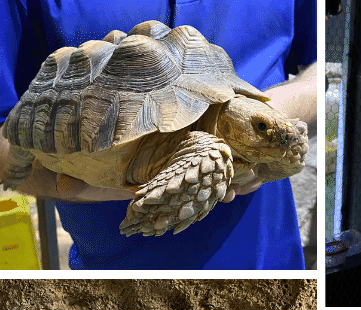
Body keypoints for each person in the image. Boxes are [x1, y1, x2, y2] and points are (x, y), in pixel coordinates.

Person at [0, 1, 316, 269]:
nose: (276, 137)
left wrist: (278, 113)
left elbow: (321, 72)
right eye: (260, 129)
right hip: (115, 269)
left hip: (275, 260)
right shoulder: (210, 150)